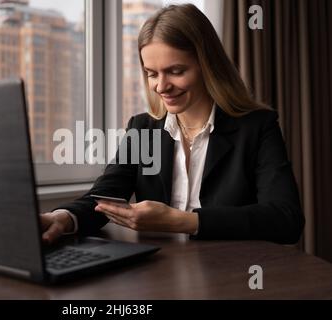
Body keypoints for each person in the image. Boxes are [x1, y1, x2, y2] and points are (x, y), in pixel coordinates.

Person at [40, 4, 305, 245]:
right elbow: (105, 196)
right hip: (164, 275)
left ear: (208, 65)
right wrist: (63, 217)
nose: (161, 86)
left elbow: (285, 219)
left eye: (176, 71)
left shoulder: (257, 127)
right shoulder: (143, 128)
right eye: (152, 74)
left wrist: (183, 221)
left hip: (233, 276)